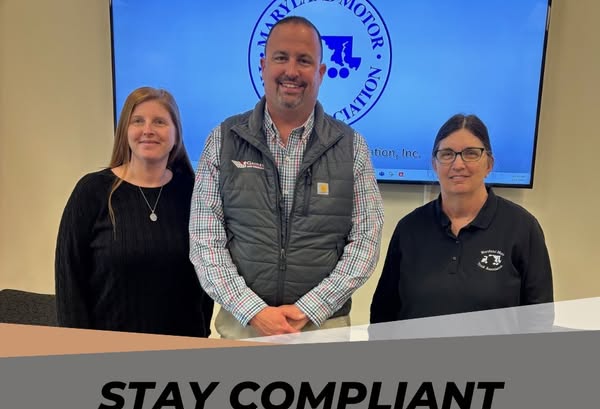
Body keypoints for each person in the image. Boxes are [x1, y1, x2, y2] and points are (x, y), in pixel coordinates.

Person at [190, 16, 384, 339]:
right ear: (263, 66)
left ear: (321, 72)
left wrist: (310, 308)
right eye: (281, 57)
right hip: (242, 327)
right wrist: (254, 311)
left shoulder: (352, 147)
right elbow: (204, 239)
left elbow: (366, 240)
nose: (291, 71)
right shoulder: (223, 140)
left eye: (304, 60)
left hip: (322, 329)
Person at [55, 87, 213, 337]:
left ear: (176, 135)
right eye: (138, 121)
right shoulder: (92, 191)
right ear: (125, 133)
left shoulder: (194, 193)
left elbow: (206, 280)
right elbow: (70, 281)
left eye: (159, 122)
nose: (148, 130)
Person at [370, 113, 553, 323]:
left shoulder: (522, 228)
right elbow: (383, 314)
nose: (458, 164)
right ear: (434, 164)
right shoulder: (409, 229)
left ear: (489, 164)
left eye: (471, 153)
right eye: (447, 154)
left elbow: (539, 316)